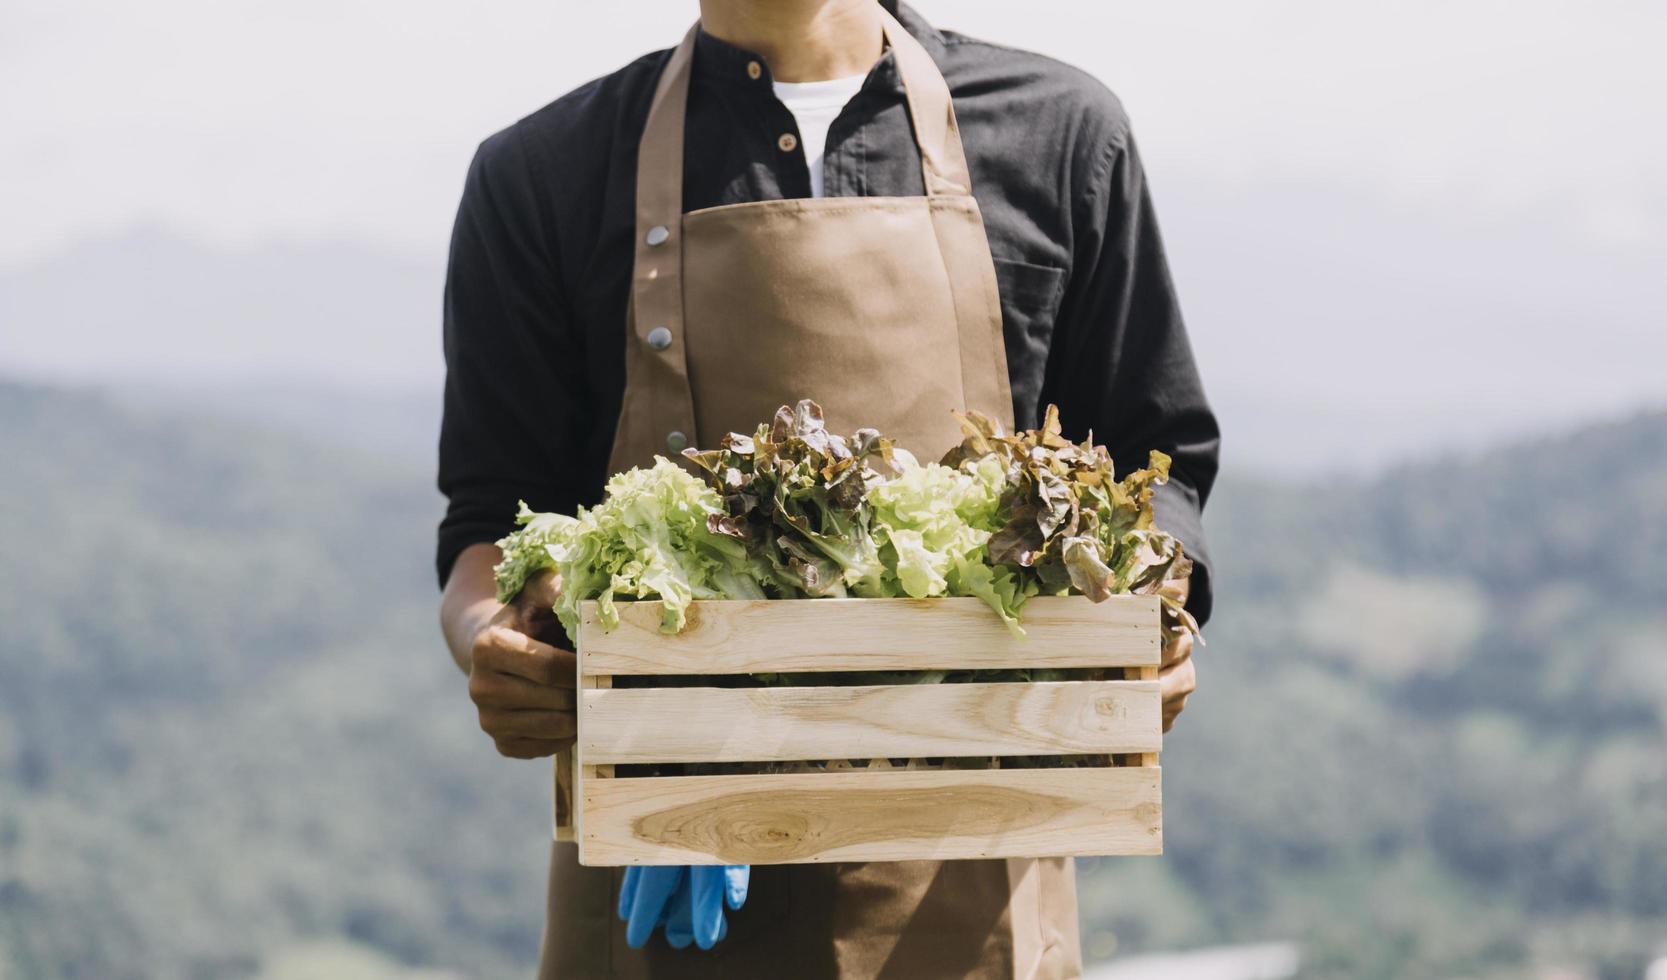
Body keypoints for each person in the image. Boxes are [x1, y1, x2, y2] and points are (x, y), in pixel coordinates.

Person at [436, 1, 1219, 975]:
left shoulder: (1058, 133)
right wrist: (495, 642)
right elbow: (487, 512)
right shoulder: (542, 172)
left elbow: (1157, 459)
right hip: (657, 882)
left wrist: (1153, 618)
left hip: (978, 880)